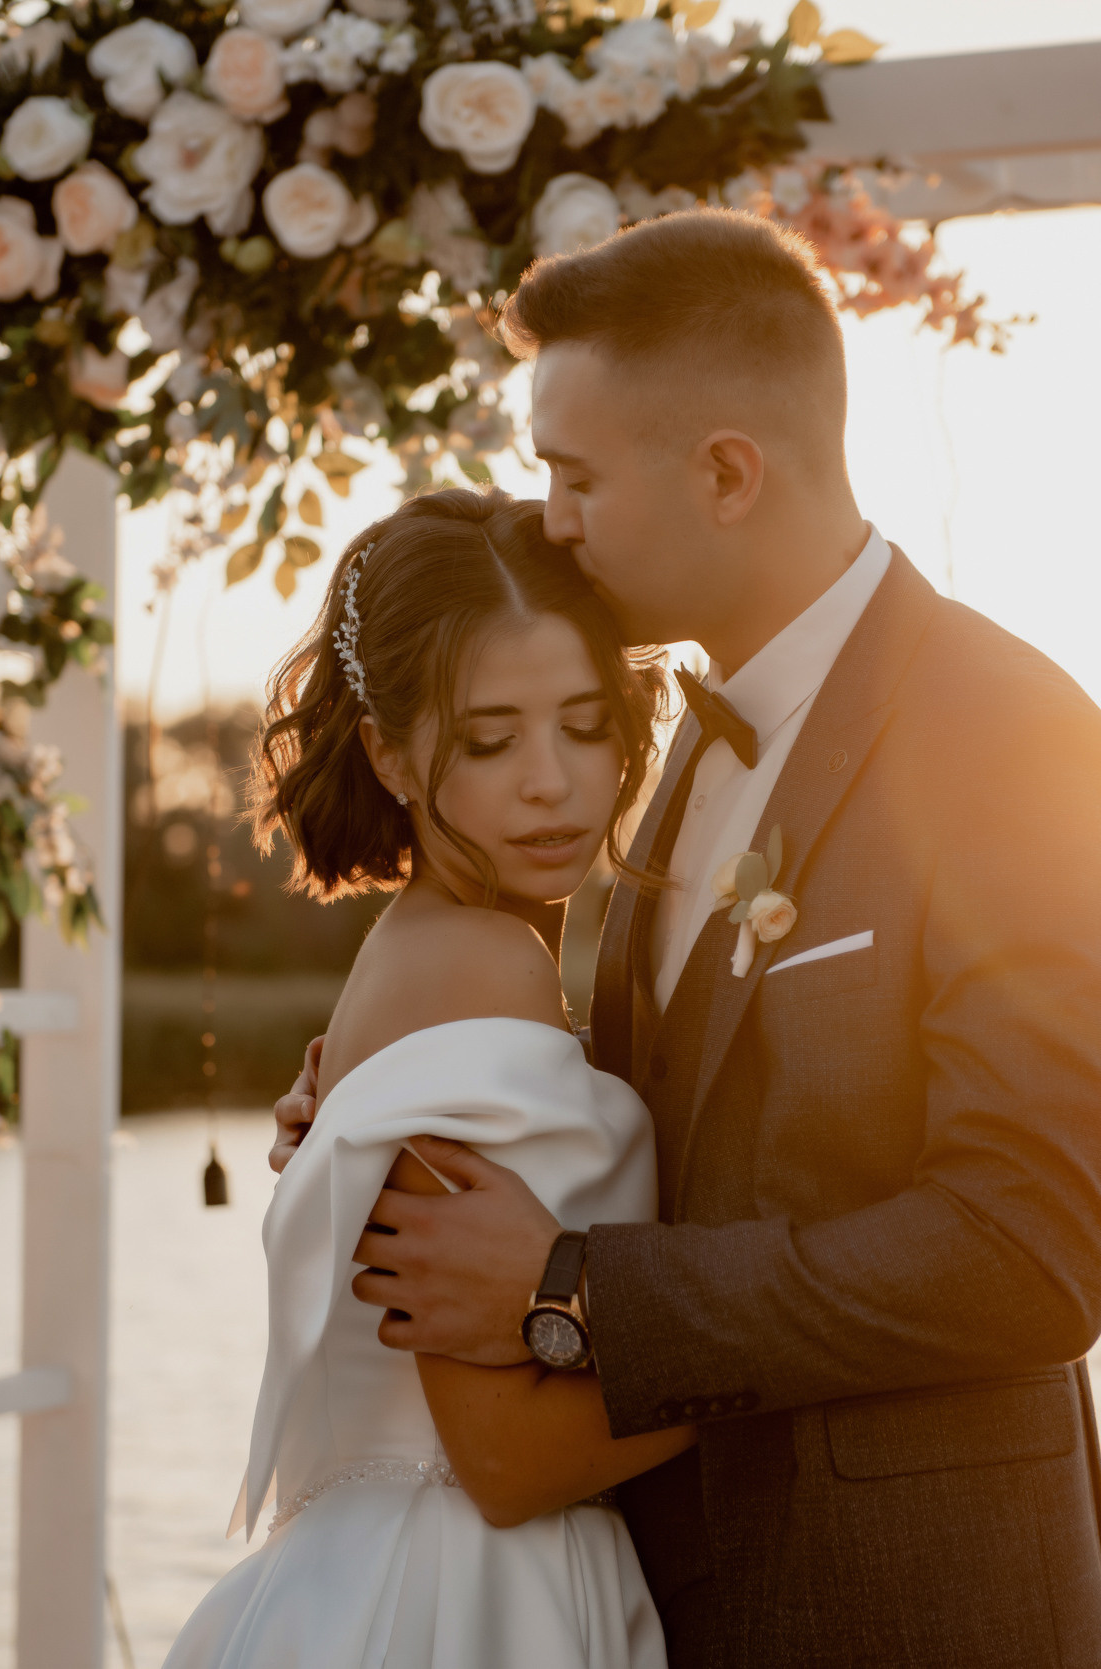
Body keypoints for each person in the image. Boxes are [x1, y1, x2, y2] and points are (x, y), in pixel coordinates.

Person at [269, 208, 1101, 1667]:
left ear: (728, 473)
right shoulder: (677, 753)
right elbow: (668, 1127)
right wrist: (381, 1104)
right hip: (664, 1603)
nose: (550, 519)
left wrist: (568, 1287)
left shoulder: (1018, 743)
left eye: (575, 477)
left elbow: (1032, 1248)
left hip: (917, 1617)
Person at [163, 488, 691, 1669]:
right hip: (470, 1599)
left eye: (585, 722)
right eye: (491, 739)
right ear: (390, 752)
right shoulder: (478, 963)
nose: (551, 781)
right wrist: (792, 1363)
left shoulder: (430, 949)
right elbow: (505, 1456)